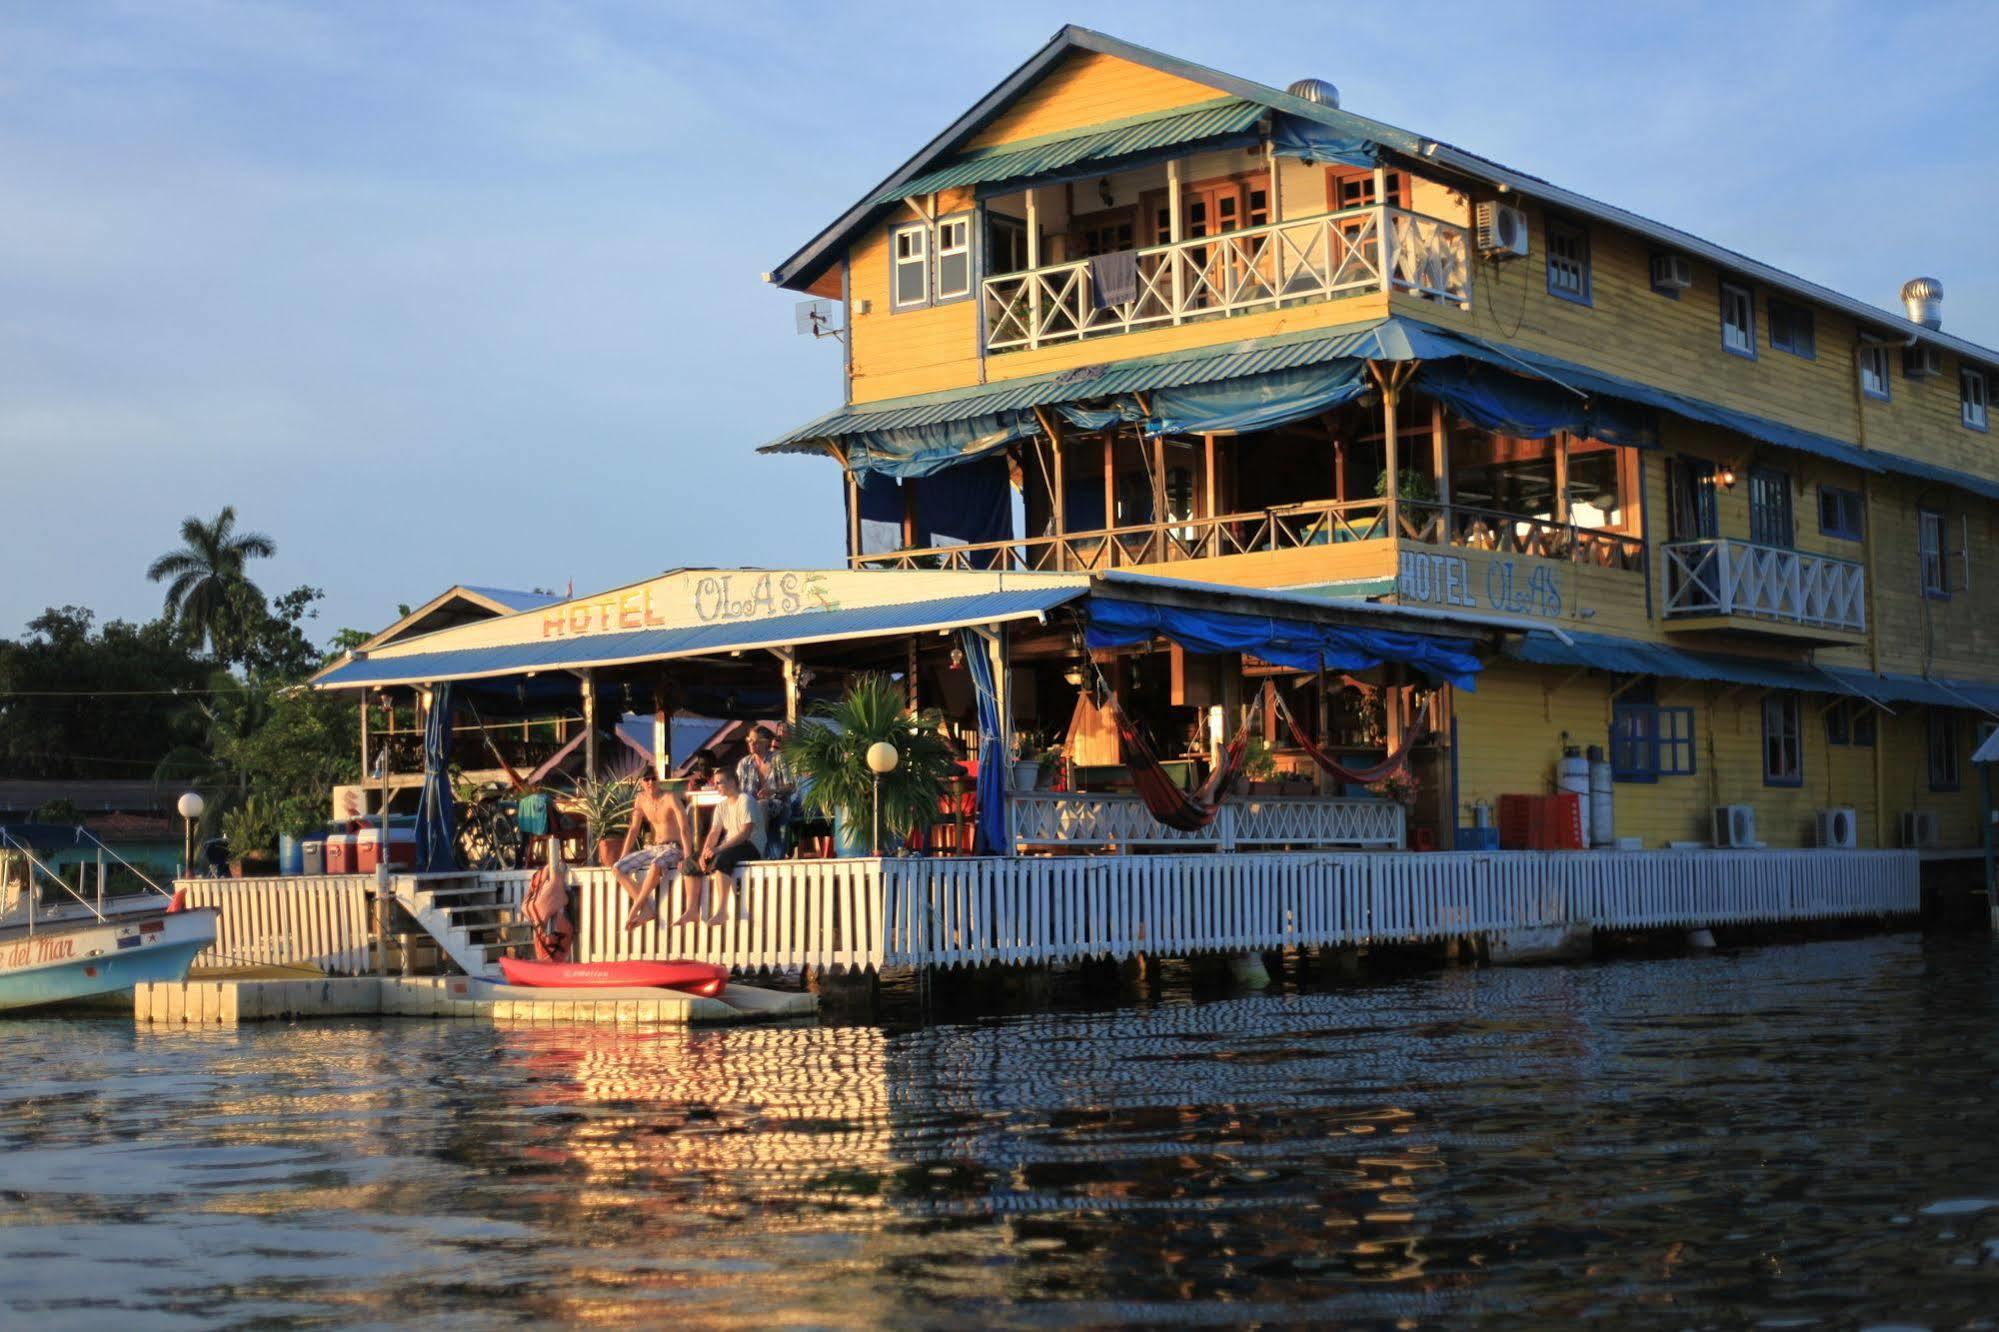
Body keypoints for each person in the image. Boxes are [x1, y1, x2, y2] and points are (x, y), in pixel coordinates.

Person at [676, 766, 763, 926]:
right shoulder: (722, 806)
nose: (715, 787)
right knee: (691, 862)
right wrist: (704, 854)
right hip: (731, 846)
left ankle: (722, 911)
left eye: (718, 783)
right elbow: (714, 833)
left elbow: (744, 834)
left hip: (751, 846)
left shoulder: (745, 800)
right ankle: (692, 910)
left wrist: (717, 850)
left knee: (721, 858)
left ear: (731, 782)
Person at [610, 770, 688, 930]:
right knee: (617, 868)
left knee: (656, 864)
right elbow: (633, 829)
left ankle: (636, 907)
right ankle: (646, 909)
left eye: (653, 779)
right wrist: (623, 855)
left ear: (658, 780)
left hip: (673, 846)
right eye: (647, 779)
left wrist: (687, 855)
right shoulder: (640, 799)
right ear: (641, 783)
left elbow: (685, 827)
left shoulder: (670, 797)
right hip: (653, 847)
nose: (650, 782)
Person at [735, 723, 793, 858]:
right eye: (749, 740)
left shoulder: (778, 759)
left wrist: (772, 791)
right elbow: (738, 790)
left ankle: (757, 853)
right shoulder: (744, 763)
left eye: (755, 741)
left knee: (762, 805)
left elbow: (791, 786)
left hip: (777, 804)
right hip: (750, 807)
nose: (751, 744)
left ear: (766, 743)